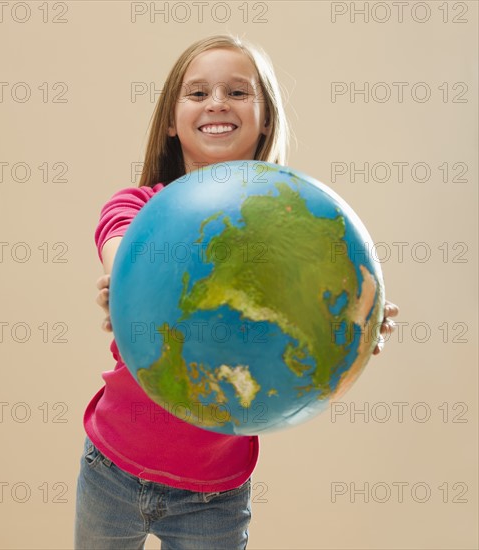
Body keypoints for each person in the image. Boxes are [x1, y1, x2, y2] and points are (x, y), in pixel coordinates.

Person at [75, 34, 399, 550]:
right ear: (169, 119)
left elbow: (324, 283)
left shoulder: (288, 225)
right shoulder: (140, 204)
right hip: (112, 467)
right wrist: (127, 283)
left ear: (266, 116)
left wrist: (356, 317)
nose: (218, 103)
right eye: (197, 93)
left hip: (215, 494)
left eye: (238, 93)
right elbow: (118, 237)